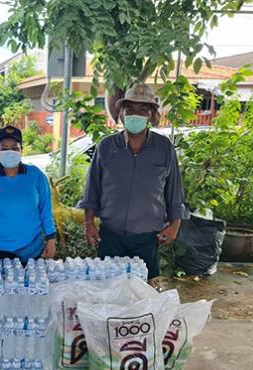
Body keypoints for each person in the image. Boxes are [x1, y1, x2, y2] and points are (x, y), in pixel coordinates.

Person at [79, 83, 185, 282]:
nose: (135, 114)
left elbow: (174, 191)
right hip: (110, 237)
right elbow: (92, 190)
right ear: (121, 113)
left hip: (147, 238)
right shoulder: (106, 147)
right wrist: (89, 223)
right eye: (130, 109)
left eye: (142, 110)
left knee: (144, 290)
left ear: (151, 114)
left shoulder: (163, 148)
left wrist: (174, 226)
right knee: (107, 288)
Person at [0, 125, 56, 263]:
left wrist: (51, 239)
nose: (9, 152)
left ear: (21, 150)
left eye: (15, 148)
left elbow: (46, 210)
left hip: (32, 249)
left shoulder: (36, 176)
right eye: (4, 148)